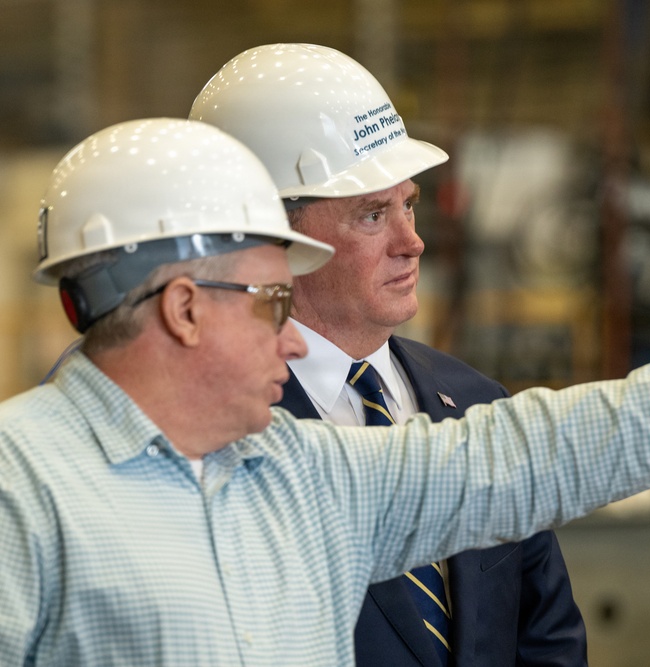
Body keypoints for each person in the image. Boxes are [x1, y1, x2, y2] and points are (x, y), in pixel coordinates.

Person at [0, 117, 650, 667]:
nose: (290, 330)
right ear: (187, 309)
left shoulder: (296, 477)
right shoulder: (25, 493)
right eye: (273, 296)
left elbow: (511, 456)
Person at [188, 43, 588, 666]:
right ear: (267, 237)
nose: (413, 242)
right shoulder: (211, 439)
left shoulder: (477, 402)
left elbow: (549, 641)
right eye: (373, 214)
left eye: (409, 204)